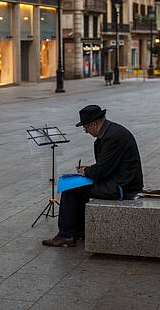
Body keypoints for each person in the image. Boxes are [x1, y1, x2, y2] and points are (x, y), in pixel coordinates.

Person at [42, 105, 144, 247]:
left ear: (94, 124)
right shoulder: (112, 131)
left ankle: (66, 235)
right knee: (78, 187)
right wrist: (88, 170)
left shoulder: (111, 137)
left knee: (70, 189)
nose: (85, 132)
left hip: (122, 187)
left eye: (85, 128)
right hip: (120, 181)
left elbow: (102, 171)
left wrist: (87, 172)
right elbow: (107, 165)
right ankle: (79, 230)